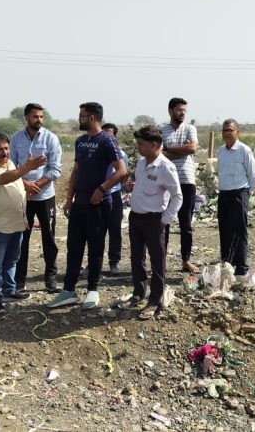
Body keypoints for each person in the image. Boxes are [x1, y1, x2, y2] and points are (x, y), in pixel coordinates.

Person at [47, 102, 128, 309]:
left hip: (99, 204)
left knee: (96, 247)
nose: (79, 118)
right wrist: (69, 198)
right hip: (79, 204)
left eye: (82, 115)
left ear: (91, 117)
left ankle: (93, 290)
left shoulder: (107, 140)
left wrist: (102, 189)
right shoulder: (80, 141)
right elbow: (76, 171)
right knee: (74, 247)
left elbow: (122, 171)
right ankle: (69, 291)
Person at [115, 126, 181, 320]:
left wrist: (165, 220)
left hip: (154, 220)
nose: (138, 147)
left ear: (154, 145)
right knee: (137, 258)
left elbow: (177, 196)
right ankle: (138, 293)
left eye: (141, 144)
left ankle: (155, 301)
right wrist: (131, 186)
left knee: (157, 261)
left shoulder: (166, 167)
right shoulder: (142, 162)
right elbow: (143, 184)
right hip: (136, 218)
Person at [0, 132, 47, 313]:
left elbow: (13, 176)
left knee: (11, 260)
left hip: (17, 222)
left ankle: (9, 291)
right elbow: (4, 179)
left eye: (6, 148)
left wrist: (25, 184)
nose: (4, 152)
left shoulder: (9, 164)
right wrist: (26, 168)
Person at [10, 103, 63, 292]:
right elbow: (11, 166)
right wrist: (25, 184)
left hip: (45, 196)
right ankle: (19, 280)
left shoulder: (51, 138)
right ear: (26, 118)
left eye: (41, 117)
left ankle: (50, 279)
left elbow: (55, 169)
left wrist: (37, 185)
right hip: (23, 196)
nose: (39, 120)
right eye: (35, 117)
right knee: (21, 238)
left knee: (49, 238)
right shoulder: (16, 138)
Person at [160, 97, 200, 273]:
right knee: (164, 222)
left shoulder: (190, 128)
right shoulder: (162, 131)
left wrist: (169, 149)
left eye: (184, 110)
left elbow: (192, 149)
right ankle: (160, 260)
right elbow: (159, 153)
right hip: (166, 182)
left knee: (186, 224)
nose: (182, 113)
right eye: (179, 110)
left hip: (186, 181)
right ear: (170, 111)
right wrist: (182, 150)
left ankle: (186, 261)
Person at [215, 119, 255, 277]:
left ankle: (241, 268)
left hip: (239, 193)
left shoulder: (244, 150)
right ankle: (227, 265)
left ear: (237, 132)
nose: (226, 133)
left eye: (229, 130)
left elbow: (253, 174)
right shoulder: (221, 151)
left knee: (239, 232)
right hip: (224, 194)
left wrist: (247, 194)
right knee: (224, 230)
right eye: (224, 130)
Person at [101, 123, 129, 276]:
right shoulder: (96, 151)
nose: (107, 136)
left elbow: (124, 174)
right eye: (104, 132)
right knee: (96, 230)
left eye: (110, 133)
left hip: (114, 194)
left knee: (114, 229)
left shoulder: (121, 154)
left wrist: (125, 186)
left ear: (115, 136)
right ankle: (94, 262)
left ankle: (114, 262)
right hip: (98, 195)